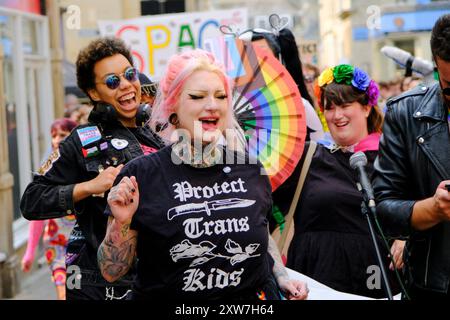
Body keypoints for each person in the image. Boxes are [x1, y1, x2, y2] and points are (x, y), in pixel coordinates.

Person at [97, 49, 309, 300]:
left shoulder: (251, 169)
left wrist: (282, 276)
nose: (212, 106)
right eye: (197, 96)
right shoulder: (141, 175)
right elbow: (111, 272)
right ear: (172, 106)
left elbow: (260, 233)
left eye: (221, 96)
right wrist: (121, 223)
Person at [20, 37, 163, 300]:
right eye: (112, 81)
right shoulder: (80, 140)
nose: (125, 85)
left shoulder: (159, 133)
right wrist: (89, 187)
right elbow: (31, 200)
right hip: (105, 286)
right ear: (94, 93)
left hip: (160, 277)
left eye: (129, 74)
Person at [273, 64, 401, 298]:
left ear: (366, 107)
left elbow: (416, 210)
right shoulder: (308, 156)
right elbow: (262, 212)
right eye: (329, 108)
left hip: (375, 284)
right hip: (314, 285)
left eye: (344, 105)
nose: (337, 115)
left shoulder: (392, 159)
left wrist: (406, 239)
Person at [373, 14, 450, 300]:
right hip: (433, 284)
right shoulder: (405, 114)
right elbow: (384, 209)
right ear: (436, 68)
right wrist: (433, 208)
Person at [21, 118, 78, 300]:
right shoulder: (47, 171)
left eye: (62, 134)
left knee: (75, 291)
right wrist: (30, 252)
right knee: (62, 293)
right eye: (54, 135)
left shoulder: (85, 167)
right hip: (55, 243)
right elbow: (38, 213)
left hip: (80, 244)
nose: (57, 139)